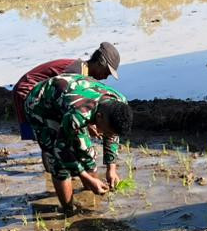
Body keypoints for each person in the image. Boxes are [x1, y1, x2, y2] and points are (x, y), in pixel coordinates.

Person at [24, 73, 134, 215]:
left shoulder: (120, 102)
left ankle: (91, 192)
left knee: (86, 152)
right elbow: (61, 150)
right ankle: (68, 211)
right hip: (41, 105)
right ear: (98, 117)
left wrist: (111, 169)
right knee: (58, 164)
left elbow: (112, 135)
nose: (103, 135)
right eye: (104, 131)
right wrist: (85, 177)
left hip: (70, 101)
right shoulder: (79, 115)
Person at [11, 42, 121, 140]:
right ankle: (51, 156)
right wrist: (87, 125)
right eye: (107, 72)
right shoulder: (75, 73)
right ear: (99, 63)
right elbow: (67, 103)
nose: (106, 77)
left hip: (39, 91)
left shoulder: (83, 72)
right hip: (27, 89)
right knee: (50, 131)